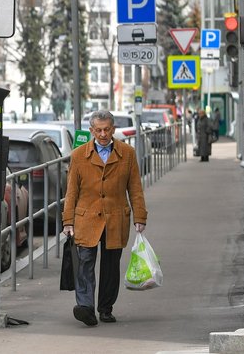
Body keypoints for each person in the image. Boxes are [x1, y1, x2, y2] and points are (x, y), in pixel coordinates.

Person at [61, 109, 148, 327]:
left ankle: (106, 308)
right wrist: (68, 221)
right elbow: (71, 191)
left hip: (116, 217)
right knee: (85, 264)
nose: (102, 134)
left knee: (111, 266)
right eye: (98, 130)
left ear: (113, 129)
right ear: (91, 131)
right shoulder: (79, 155)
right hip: (86, 218)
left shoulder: (127, 153)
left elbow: (135, 188)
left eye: (106, 130)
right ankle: (86, 308)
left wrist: (140, 216)